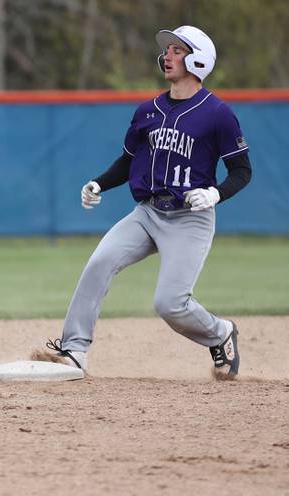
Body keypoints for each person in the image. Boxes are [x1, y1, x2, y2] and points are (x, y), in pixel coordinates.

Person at [41, 26, 251, 379]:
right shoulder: (148, 110)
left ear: (198, 59)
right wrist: (98, 183)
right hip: (148, 212)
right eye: (166, 50)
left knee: (169, 304)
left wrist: (216, 193)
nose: (167, 56)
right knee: (99, 263)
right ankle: (74, 350)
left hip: (190, 219)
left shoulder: (218, 113)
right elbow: (127, 161)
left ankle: (221, 333)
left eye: (177, 50)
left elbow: (242, 171)